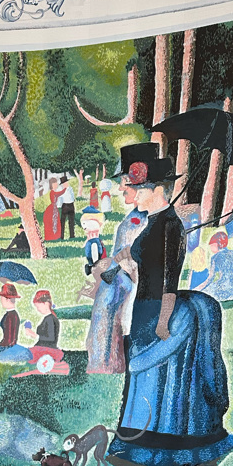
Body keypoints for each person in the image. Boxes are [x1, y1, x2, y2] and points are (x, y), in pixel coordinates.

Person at [106, 156, 233, 466]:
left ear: (156, 190)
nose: (132, 194)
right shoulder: (155, 222)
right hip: (144, 308)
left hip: (159, 309)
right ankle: (139, 444)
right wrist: (122, 258)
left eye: (138, 189)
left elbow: (169, 276)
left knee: (160, 379)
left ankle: (164, 453)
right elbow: (142, 255)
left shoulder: (170, 226)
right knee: (144, 379)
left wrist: (165, 319)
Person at [85, 142, 155, 375]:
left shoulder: (147, 218)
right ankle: (102, 364)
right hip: (115, 278)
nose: (120, 188)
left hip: (127, 280)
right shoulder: (135, 215)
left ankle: (107, 365)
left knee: (109, 318)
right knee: (103, 318)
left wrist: (128, 266)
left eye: (125, 183)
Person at [196, 231, 233, 302]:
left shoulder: (215, 257)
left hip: (222, 285)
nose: (210, 248)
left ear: (217, 244)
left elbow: (210, 278)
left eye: (212, 245)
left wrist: (198, 289)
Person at [42, 177, 66, 242]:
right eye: (55, 183)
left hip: (54, 208)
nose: (56, 184)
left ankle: (56, 236)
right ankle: (52, 236)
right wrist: (65, 188)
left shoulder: (53, 192)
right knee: (53, 222)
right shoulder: (52, 192)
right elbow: (60, 193)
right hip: (52, 209)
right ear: (52, 185)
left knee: (55, 222)